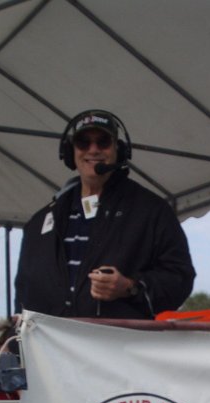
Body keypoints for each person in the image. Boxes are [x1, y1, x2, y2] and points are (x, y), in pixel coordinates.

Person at [15, 109, 195, 318]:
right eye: (83, 142)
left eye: (103, 142)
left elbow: (180, 278)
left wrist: (130, 287)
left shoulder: (152, 211)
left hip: (117, 346)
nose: (93, 150)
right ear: (70, 152)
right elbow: (23, 290)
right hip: (51, 346)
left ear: (118, 150)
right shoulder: (39, 222)